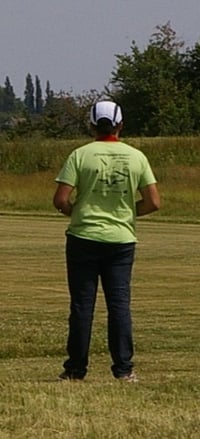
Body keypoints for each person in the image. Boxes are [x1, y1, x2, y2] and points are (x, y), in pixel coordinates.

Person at [53, 100, 160, 382]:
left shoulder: (79, 155)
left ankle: (75, 369)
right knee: (119, 304)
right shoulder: (136, 157)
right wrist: (126, 212)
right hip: (121, 240)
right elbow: (153, 202)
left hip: (83, 237)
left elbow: (61, 199)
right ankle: (123, 369)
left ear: (91, 126)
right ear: (120, 125)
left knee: (81, 306)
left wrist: (76, 211)